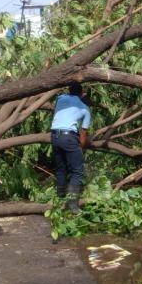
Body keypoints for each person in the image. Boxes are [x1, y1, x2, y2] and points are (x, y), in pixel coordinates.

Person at [50, 82, 91, 214]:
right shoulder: (85, 109)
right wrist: (81, 149)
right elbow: (83, 134)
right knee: (77, 171)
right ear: (81, 93)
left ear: (69, 91)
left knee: (61, 168)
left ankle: (60, 197)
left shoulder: (60, 98)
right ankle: (73, 205)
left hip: (54, 136)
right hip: (69, 138)